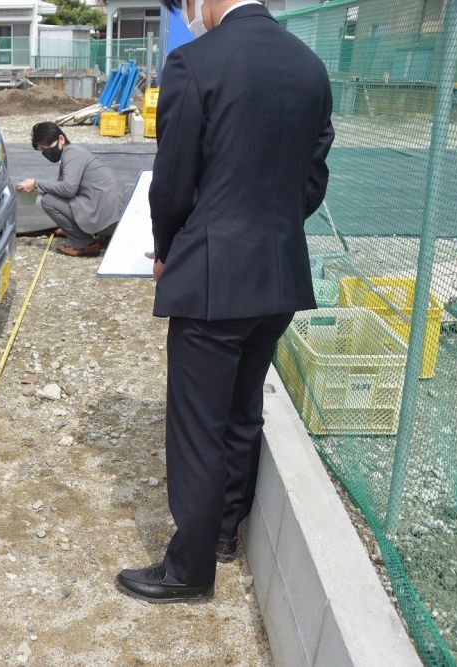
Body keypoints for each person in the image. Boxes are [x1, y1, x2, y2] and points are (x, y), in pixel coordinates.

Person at [116, 0, 334, 603]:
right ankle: (224, 534)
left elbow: (173, 178)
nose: (192, 12)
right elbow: (312, 179)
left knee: (197, 424)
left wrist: (168, 248)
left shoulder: (195, 62)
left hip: (213, 276)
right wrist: (270, 228)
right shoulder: (311, 67)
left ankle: (188, 569)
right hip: (280, 272)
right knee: (242, 409)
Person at [16, 121, 121, 257]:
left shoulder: (71, 154)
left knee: (48, 201)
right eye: (41, 150)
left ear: (61, 139)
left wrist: (36, 183)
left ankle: (87, 244)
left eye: (46, 147)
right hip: (111, 216)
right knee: (53, 195)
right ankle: (93, 234)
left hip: (107, 221)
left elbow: (68, 189)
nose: (45, 153)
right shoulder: (75, 152)